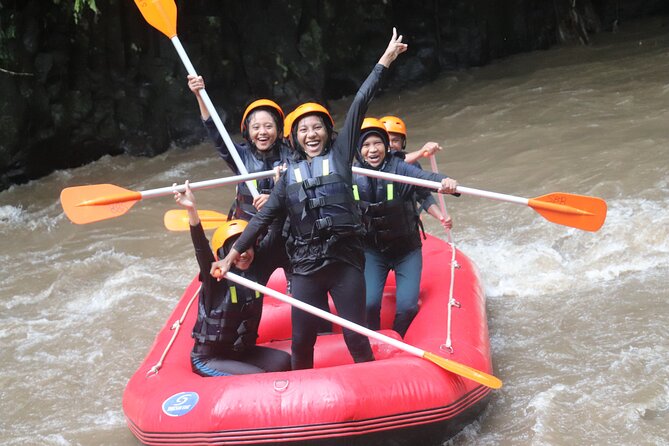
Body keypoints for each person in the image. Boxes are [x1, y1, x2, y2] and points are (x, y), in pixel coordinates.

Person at [212, 28, 408, 370]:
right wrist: (231, 256)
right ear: (295, 139)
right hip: (305, 268)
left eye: (316, 127)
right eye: (303, 130)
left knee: (355, 336)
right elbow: (260, 220)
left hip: (345, 264)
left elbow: (360, 102)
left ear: (327, 132)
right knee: (302, 340)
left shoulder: (342, 155)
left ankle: (371, 383)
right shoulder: (287, 178)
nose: (311, 134)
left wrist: (385, 61)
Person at [173, 181, 291, 376]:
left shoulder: (258, 271)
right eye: (237, 249)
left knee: (284, 361)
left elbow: (276, 233)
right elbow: (201, 247)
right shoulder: (216, 276)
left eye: (247, 247)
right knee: (258, 378)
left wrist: (276, 200)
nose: (243, 254)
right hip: (209, 358)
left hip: (241, 352)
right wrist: (192, 210)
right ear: (225, 253)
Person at [353, 118, 457, 337]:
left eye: (378, 143)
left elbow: (425, 181)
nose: (373, 149)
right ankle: (373, 340)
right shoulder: (350, 173)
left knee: (408, 307)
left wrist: (445, 182)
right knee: (369, 304)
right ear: (358, 149)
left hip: (406, 249)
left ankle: (399, 337)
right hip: (373, 250)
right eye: (366, 145)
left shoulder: (400, 167)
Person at [187, 73, 292, 287]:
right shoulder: (240, 157)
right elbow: (215, 132)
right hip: (249, 235)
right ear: (247, 131)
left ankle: (293, 280)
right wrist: (199, 95)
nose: (262, 132)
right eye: (256, 127)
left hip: (282, 232)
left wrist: (274, 198)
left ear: (279, 130)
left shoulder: (292, 157)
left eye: (269, 126)